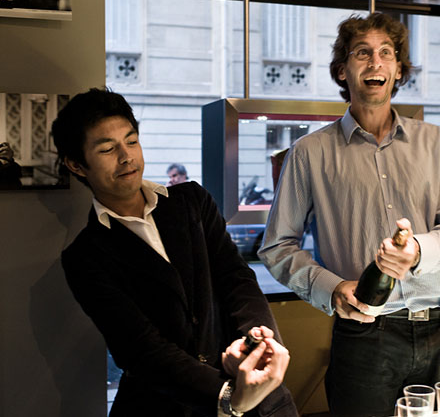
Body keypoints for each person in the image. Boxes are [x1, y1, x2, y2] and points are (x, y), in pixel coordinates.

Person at [258, 12, 440, 417]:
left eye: (386, 53)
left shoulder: (436, 143)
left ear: (399, 69)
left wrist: (417, 250)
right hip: (365, 334)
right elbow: (277, 246)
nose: (375, 62)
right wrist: (329, 288)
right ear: (343, 70)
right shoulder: (309, 154)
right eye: (362, 53)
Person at [53, 88, 296, 417]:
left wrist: (256, 340)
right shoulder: (86, 256)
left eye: (132, 141)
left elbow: (236, 278)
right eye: (108, 149)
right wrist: (227, 396)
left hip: (256, 393)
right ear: (76, 165)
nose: (127, 157)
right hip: (167, 405)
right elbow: (140, 348)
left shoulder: (191, 202)